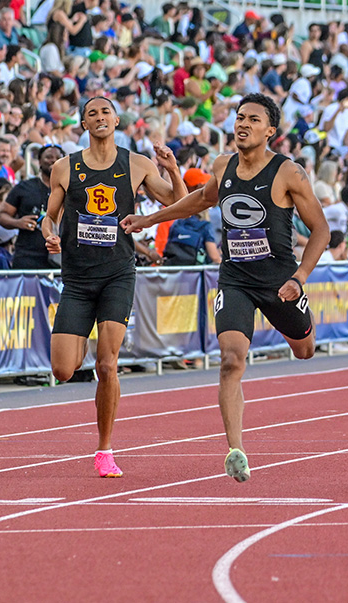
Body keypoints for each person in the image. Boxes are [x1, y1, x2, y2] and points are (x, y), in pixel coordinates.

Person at [121, 93, 329, 483]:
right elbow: (201, 200)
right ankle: (236, 449)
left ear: (270, 131)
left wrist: (299, 278)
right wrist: (151, 219)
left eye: (253, 119)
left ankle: (300, 322)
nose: (243, 124)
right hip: (234, 277)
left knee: (304, 350)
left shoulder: (289, 173)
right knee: (232, 359)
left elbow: (322, 229)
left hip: (279, 281)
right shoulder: (223, 164)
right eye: (239, 117)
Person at [41, 96, 186, 478]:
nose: (100, 117)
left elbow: (177, 201)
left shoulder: (136, 163)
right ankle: (82, 340)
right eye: (92, 113)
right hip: (76, 277)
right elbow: (49, 217)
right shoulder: (64, 167)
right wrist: (50, 234)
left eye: (106, 111)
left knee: (107, 364)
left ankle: (104, 450)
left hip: (118, 274)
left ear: (117, 119)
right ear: (83, 124)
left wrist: (173, 170)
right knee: (63, 369)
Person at [0, 144, 62, 269]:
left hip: (61, 258)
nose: (53, 160)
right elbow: (1, 215)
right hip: (28, 257)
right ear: (39, 161)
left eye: (58, 157)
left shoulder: (71, 188)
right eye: (48, 157)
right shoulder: (24, 187)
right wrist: (18, 222)